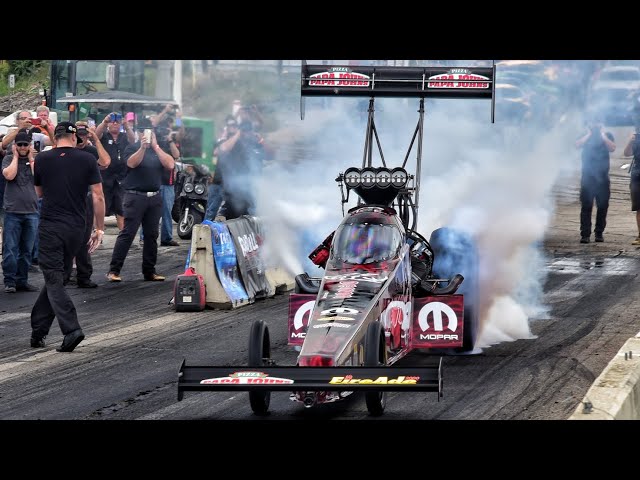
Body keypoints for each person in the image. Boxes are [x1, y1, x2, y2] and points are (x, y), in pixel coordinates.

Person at [30, 122, 105, 352]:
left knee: (53, 279)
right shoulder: (87, 159)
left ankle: (71, 329)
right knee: (58, 278)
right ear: (74, 138)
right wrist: (99, 229)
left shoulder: (42, 159)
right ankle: (38, 331)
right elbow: (98, 196)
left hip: (51, 226)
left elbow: (39, 193)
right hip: (76, 228)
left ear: (56, 138)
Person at [106, 118, 175, 282]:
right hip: (135, 196)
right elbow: (131, 163)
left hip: (154, 196)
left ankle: (149, 271)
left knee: (152, 235)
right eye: (143, 131)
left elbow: (170, 165)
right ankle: (113, 270)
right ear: (138, 133)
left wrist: (156, 147)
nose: (146, 134)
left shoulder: (159, 149)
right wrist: (143, 148)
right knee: (128, 233)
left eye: (149, 131)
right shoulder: (132, 147)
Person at [68, 122, 111, 288]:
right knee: (69, 236)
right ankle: (67, 273)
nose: (82, 139)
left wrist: (96, 139)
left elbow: (106, 162)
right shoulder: (67, 150)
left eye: (85, 136)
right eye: (79, 136)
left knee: (85, 237)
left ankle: (84, 275)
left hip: (86, 197)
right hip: (69, 197)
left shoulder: (91, 151)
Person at [1, 129, 40, 293]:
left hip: (31, 211)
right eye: (20, 145)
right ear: (15, 146)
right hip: (13, 211)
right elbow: (9, 176)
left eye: (26, 145)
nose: (23, 147)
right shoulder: (9, 159)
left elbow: (39, 178)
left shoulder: (36, 161)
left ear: (30, 145)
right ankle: (9, 280)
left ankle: (22, 280)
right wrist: (16, 157)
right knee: (10, 248)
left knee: (27, 249)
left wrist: (31, 158)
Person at [215, 116, 267, 219]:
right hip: (233, 193)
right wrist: (238, 134)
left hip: (251, 192)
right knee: (233, 223)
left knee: (251, 223)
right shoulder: (233, 142)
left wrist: (260, 139)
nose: (247, 133)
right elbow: (220, 150)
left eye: (249, 131)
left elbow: (271, 155)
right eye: (245, 131)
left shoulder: (254, 142)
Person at [575, 121, 616, 243]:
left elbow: (612, 148)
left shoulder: (607, 134)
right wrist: (589, 134)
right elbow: (577, 145)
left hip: (603, 178)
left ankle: (599, 233)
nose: (596, 125)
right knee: (586, 207)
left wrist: (603, 135)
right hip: (587, 178)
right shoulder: (584, 134)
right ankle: (585, 234)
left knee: (602, 206)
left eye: (598, 123)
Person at [95, 111, 135, 232]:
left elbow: (133, 140)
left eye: (117, 123)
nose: (115, 124)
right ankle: (98, 232)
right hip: (105, 176)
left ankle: (123, 234)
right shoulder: (104, 136)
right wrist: (104, 122)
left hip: (121, 177)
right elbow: (96, 135)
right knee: (102, 207)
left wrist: (127, 126)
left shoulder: (124, 136)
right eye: (112, 122)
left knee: (121, 208)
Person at [623, 131, 640, 245]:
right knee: (639, 208)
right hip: (637, 176)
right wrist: (631, 141)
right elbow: (627, 153)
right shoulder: (637, 140)